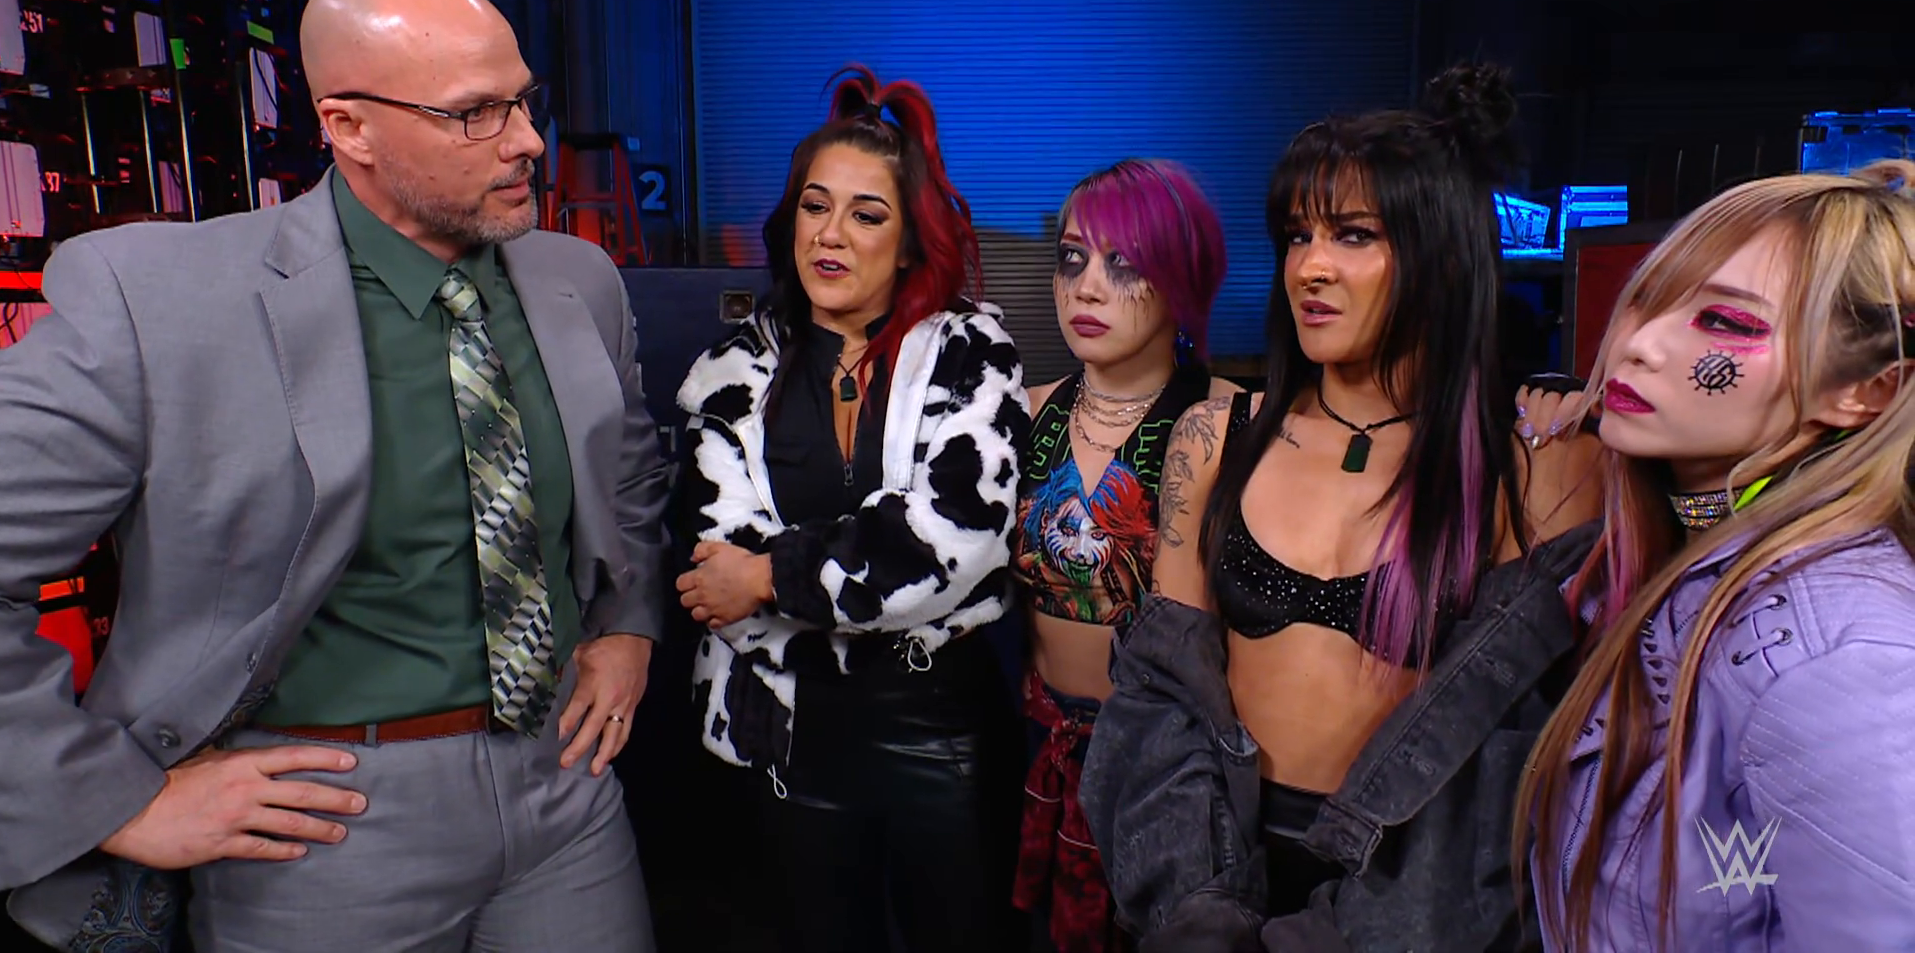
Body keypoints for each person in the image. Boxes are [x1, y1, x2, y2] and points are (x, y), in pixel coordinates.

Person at [0, 0, 669, 952]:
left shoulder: (579, 278)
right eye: (473, 114)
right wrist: (107, 799)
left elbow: (629, 475)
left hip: (566, 787)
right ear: (348, 126)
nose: (527, 140)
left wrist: (628, 623)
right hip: (321, 821)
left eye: (524, 100)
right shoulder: (160, 302)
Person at [1080, 64, 1603, 951]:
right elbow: (1164, 694)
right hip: (1215, 860)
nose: (1310, 267)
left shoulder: (1530, 466)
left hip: (1411, 897)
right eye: (1297, 236)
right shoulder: (1215, 439)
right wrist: (1198, 910)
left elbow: (1513, 759)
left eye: (1353, 235)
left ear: (1442, 254)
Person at [673, 66, 1029, 952]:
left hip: (936, 729)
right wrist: (790, 576)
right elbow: (716, 559)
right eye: (814, 207)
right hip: (783, 726)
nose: (830, 234)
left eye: (866, 216)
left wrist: (771, 576)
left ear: (908, 243)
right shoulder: (727, 373)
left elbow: (950, 541)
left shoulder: (973, 351)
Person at [1515, 161, 1915, 951]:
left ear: (1864, 391)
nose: (1635, 344)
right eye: (1648, 299)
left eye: (1725, 323)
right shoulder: (1677, 555)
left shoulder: (1836, 658)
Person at [1010, 158, 1233, 952]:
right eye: (1072, 259)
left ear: (1183, 278)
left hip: (1163, 760)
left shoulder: (1230, 421)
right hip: (1037, 739)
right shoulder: (1023, 412)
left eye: (1125, 263)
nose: (1087, 288)